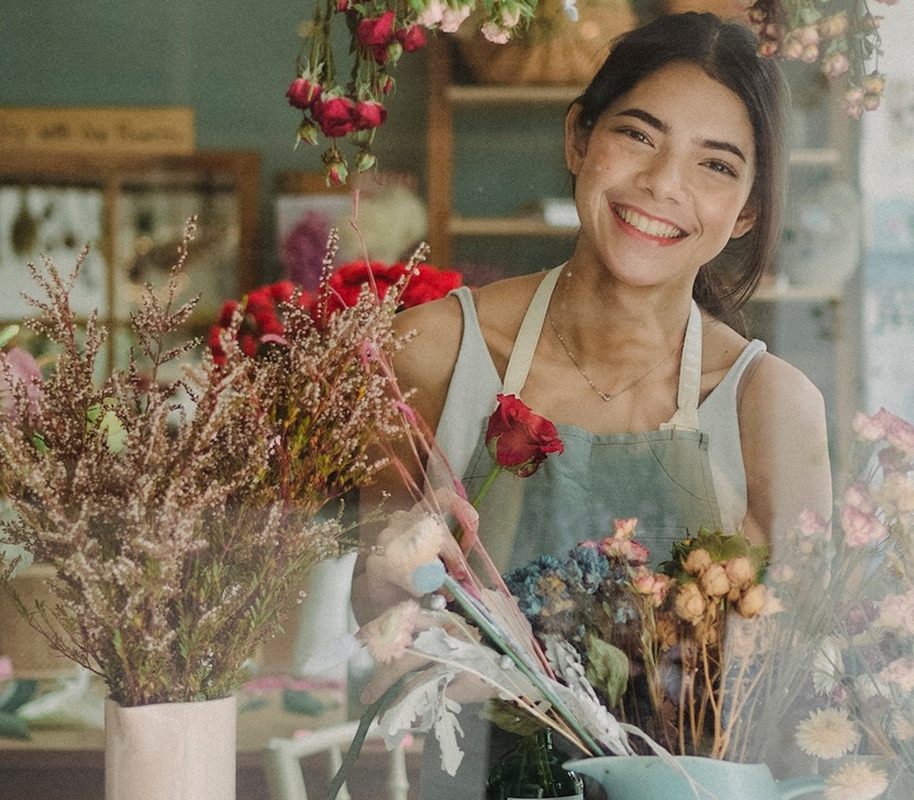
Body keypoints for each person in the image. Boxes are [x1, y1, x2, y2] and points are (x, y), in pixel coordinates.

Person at [354, 11, 833, 796]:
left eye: (716, 166)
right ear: (580, 138)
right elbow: (369, 608)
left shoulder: (769, 406)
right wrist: (396, 578)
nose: (663, 185)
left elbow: (800, 691)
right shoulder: (437, 352)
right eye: (639, 136)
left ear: (746, 210)